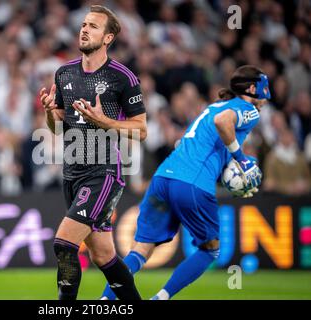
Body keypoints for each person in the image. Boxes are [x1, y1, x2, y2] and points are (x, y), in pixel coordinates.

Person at [101, 65, 268, 300]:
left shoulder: (211, 107)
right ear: (253, 88)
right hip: (191, 183)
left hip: (163, 178)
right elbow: (223, 122)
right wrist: (243, 161)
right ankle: (160, 298)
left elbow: (187, 145)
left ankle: (104, 300)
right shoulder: (248, 109)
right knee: (211, 250)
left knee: (141, 249)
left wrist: (229, 177)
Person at [39, 5, 147, 300]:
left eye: (93, 26)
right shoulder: (64, 73)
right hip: (71, 171)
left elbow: (141, 130)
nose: (84, 29)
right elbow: (57, 125)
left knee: (64, 243)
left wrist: (105, 121)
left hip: (104, 172)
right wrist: (50, 112)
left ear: (108, 37)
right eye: (84, 24)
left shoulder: (122, 77)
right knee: (103, 256)